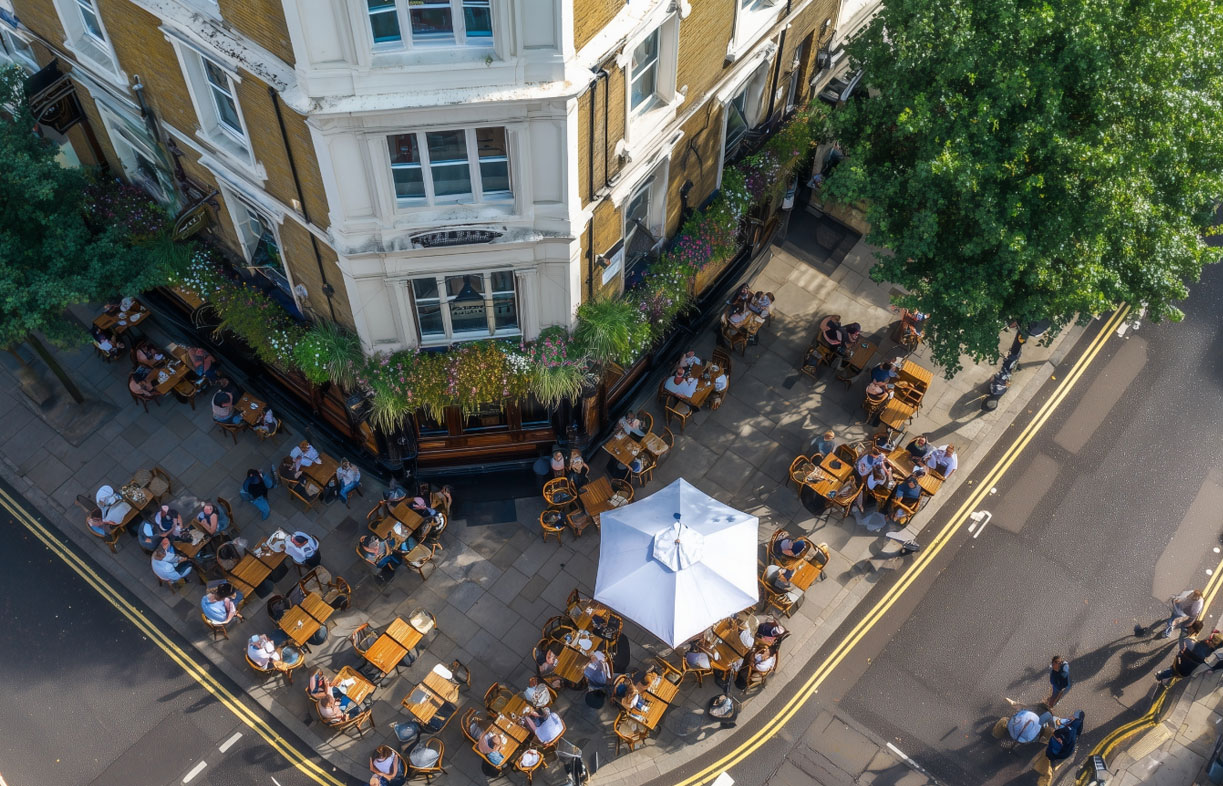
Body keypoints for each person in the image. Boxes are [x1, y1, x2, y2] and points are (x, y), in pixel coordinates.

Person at [1155, 630, 1223, 686]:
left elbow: (1184, 645)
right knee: (1174, 672)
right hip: (1186, 670)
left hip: (1182, 662)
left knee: (1173, 670)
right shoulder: (1209, 651)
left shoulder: (1195, 643)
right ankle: (1161, 676)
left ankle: (1161, 676)